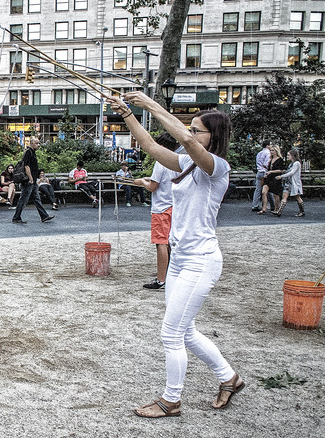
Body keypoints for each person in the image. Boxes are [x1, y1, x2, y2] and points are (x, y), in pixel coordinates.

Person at [107, 91, 243, 417]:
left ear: (214, 137)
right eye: (191, 128)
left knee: (171, 333)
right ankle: (229, 378)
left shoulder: (216, 168)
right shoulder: (186, 164)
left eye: (197, 130)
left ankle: (171, 400)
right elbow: (152, 147)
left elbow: (188, 142)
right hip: (181, 260)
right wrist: (127, 114)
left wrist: (152, 105)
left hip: (201, 261)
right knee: (187, 332)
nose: (190, 134)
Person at [133, 133, 179, 290]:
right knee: (170, 242)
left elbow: (153, 187)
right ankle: (170, 275)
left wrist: (142, 182)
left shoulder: (161, 163)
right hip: (173, 206)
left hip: (161, 208)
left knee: (161, 243)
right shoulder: (176, 161)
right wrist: (149, 179)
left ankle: (161, 280)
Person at [12, 137, 54, 224]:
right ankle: (16, 217)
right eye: (37, 143)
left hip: (33, 181)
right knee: (23, 199)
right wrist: (30, 178)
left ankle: (44, 216)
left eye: (39, 143)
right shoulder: (28, 152)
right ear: (31, 143)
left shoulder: (32, 152)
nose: (38, 145)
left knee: (37, 199)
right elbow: (26, 166)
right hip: (28, 181)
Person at [274, 149, 305, 217]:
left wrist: (281, 176)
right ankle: (279, 211)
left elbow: (292, 173)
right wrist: (285, 172)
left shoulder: (297, 163)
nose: (287, 156)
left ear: (292, 156)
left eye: (288, 155)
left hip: (294, 183)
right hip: (288, 182)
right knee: (284, 196)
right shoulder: (291, 164)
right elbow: (289, 171)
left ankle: (302, 211)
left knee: (297, 197)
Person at [259, 144, 285, 215]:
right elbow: (269, 168)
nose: (272, 152)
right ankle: (264, 208)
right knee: (264, 192)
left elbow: (281, 170)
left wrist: (271, 171)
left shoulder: (280, 160)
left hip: (275, 178)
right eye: (271, 150)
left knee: (276, 194)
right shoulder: (270, 159)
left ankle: (276, 209)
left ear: (276, 151)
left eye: (273, 150)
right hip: (269, 178)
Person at [252, 141, 271, 212]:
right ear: (267, 145)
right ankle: (272, 205)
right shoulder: (268, 153)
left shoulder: (259, 153)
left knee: (258, 189)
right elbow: (266, 163)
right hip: (264, 172)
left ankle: (255, 205)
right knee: (268, 189)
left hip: (259, 172)